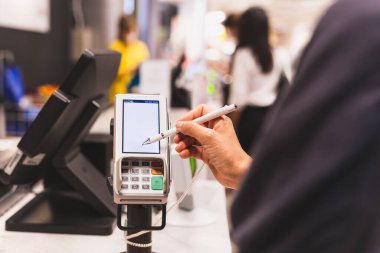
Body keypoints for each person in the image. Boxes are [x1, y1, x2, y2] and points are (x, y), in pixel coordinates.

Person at [174, 0, 380, 252]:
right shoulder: (272, 52)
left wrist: (233, 130)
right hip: (268, 116)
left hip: (248, 117)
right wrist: (240, 169)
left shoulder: (362, 24)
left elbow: (238, 97)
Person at [229, 7, 282, 152]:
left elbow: (239, 99)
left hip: (250, 119)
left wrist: (231, 126)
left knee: (245, 163)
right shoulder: (276, 53)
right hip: (272, 116)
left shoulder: (243, 54)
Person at [108, 16, 149, 104]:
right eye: (127, 31)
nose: (130, 34)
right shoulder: (114, 46)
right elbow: (111, 71)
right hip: (117, 96)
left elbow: (147, 68)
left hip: (138, 95)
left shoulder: (141, 47)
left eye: (132, 30)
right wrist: (131, 70)